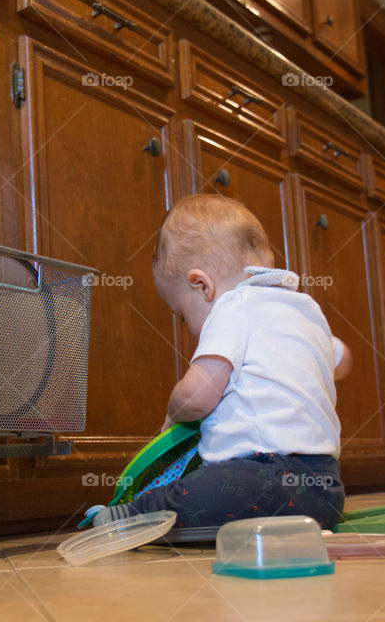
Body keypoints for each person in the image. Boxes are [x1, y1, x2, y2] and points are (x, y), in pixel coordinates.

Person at [94, 193, 352, 529]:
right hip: (325, 489)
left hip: (263, 477)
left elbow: (197, 396)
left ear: (202, 286)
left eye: (182, 316)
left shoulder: (233, 306)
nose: (187, 329)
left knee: (192, 494)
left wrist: (173, 411)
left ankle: (136, 515)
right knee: (219, 490)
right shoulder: (305, 310)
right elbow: (342, 359)